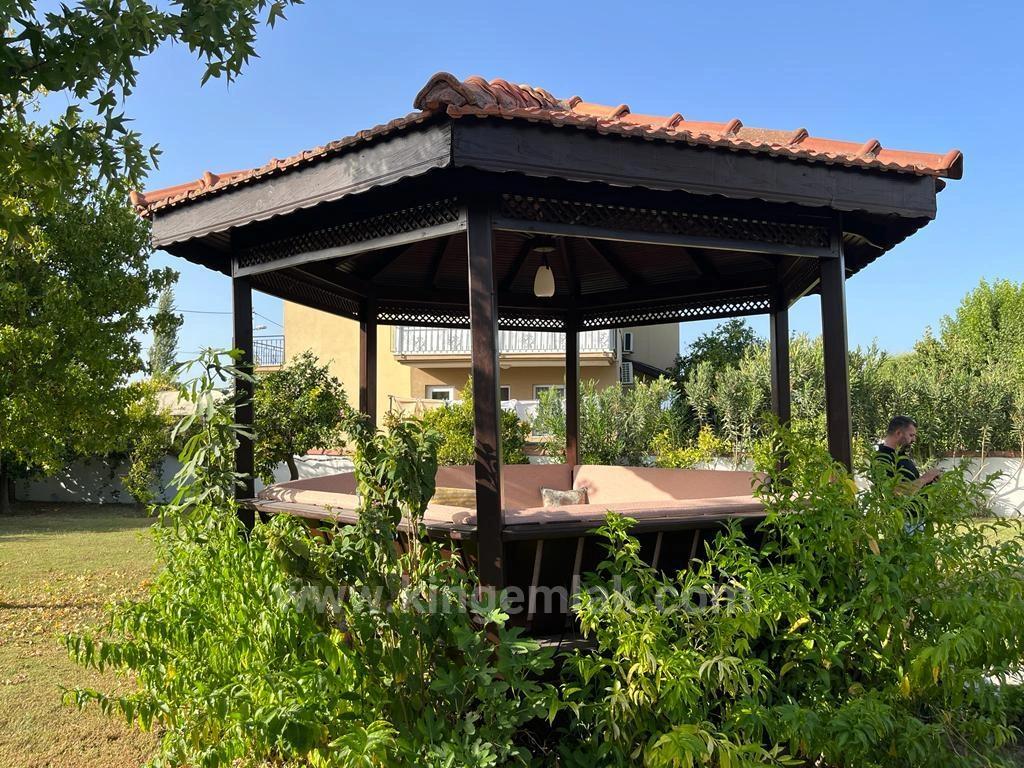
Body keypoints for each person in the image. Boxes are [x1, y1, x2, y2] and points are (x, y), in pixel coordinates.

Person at [875, 415, 941, 490]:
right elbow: (893, 492)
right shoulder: (881, 459)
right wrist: (925, 479)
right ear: (898, 433)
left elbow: (912, 485)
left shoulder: (901, 455)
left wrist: (929, 481)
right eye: (911, 435)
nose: (914, 439)